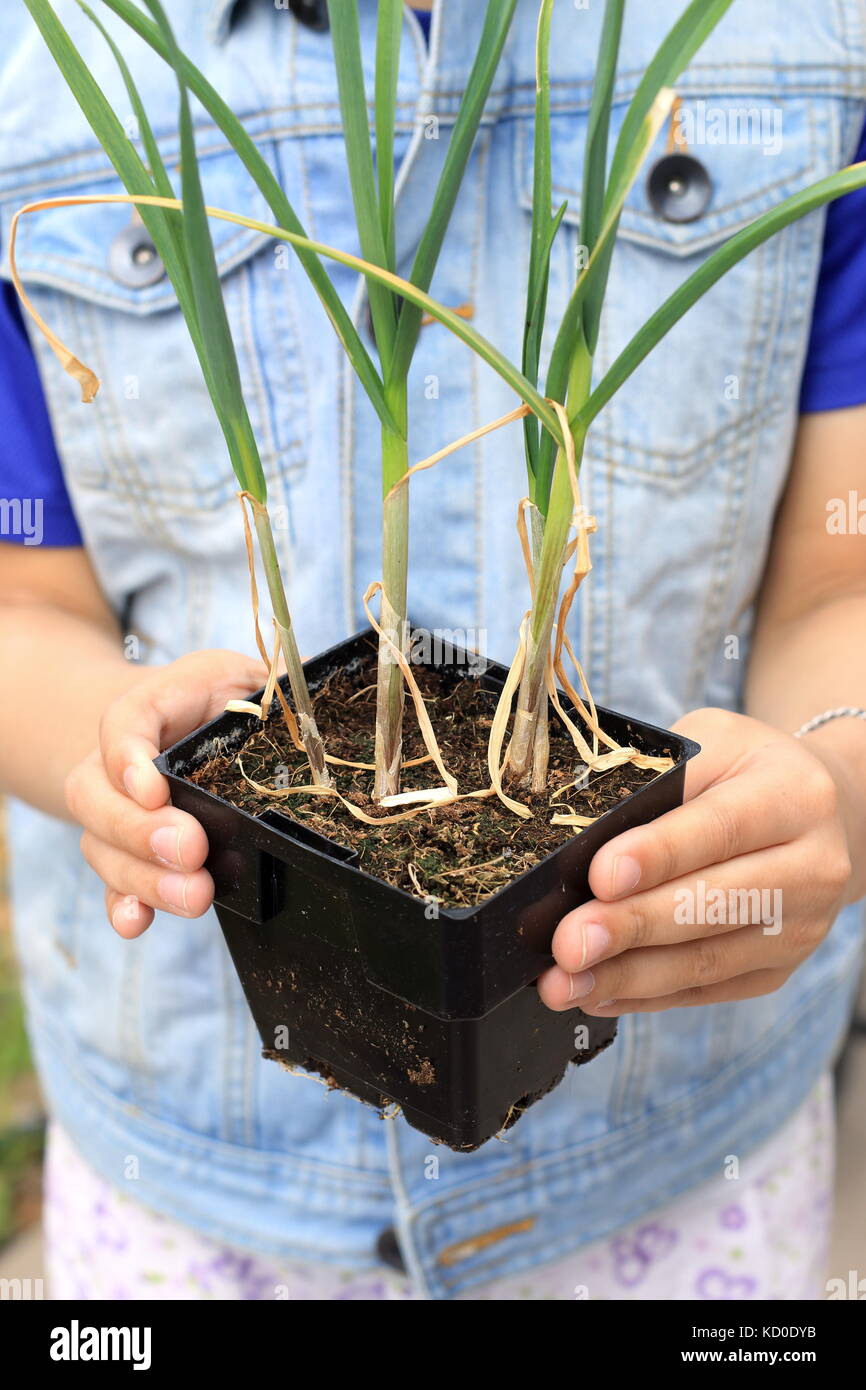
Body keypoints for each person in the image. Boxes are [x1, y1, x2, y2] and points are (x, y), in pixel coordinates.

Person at [0, 0, 864, 1301]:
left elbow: (837, 580)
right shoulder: (40, 67)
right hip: (198, 1181)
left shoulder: (806, 48)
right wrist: (106, 742)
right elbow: (23, 607)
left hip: (683, 1169)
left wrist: (832, 782)